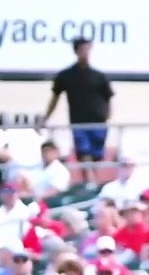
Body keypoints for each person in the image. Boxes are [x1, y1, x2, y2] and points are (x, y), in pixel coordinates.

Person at [44, 37, 113, 185]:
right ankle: (90, 182)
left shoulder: (99, 76)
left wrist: (108, 116)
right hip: (79, 122)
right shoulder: (66, 76)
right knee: (84, 153)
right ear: (76, 51)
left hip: (98, 122)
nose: (86, 53)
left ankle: (92, 183)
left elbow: (108, 98)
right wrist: (46, 117)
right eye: (82, 49)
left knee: (96, 156)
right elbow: (55, 98)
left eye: (88, 49)